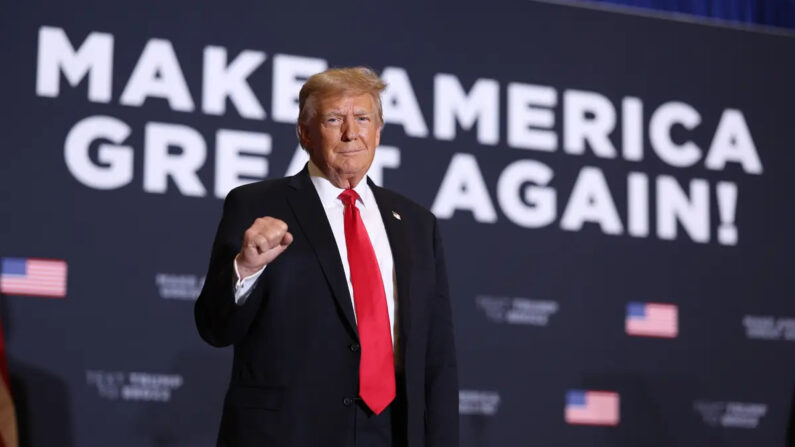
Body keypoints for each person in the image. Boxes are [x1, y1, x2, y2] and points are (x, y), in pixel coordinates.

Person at [195, 66, 458, 447]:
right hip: (288, 433)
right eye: (334, 119)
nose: (351, 133)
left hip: (392, 433)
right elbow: (214, 327)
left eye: (363, 119)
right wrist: (247, 268)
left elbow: (438, 356)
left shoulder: (417, 223)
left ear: (379, 130)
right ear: (304, 133)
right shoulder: (256, 204)